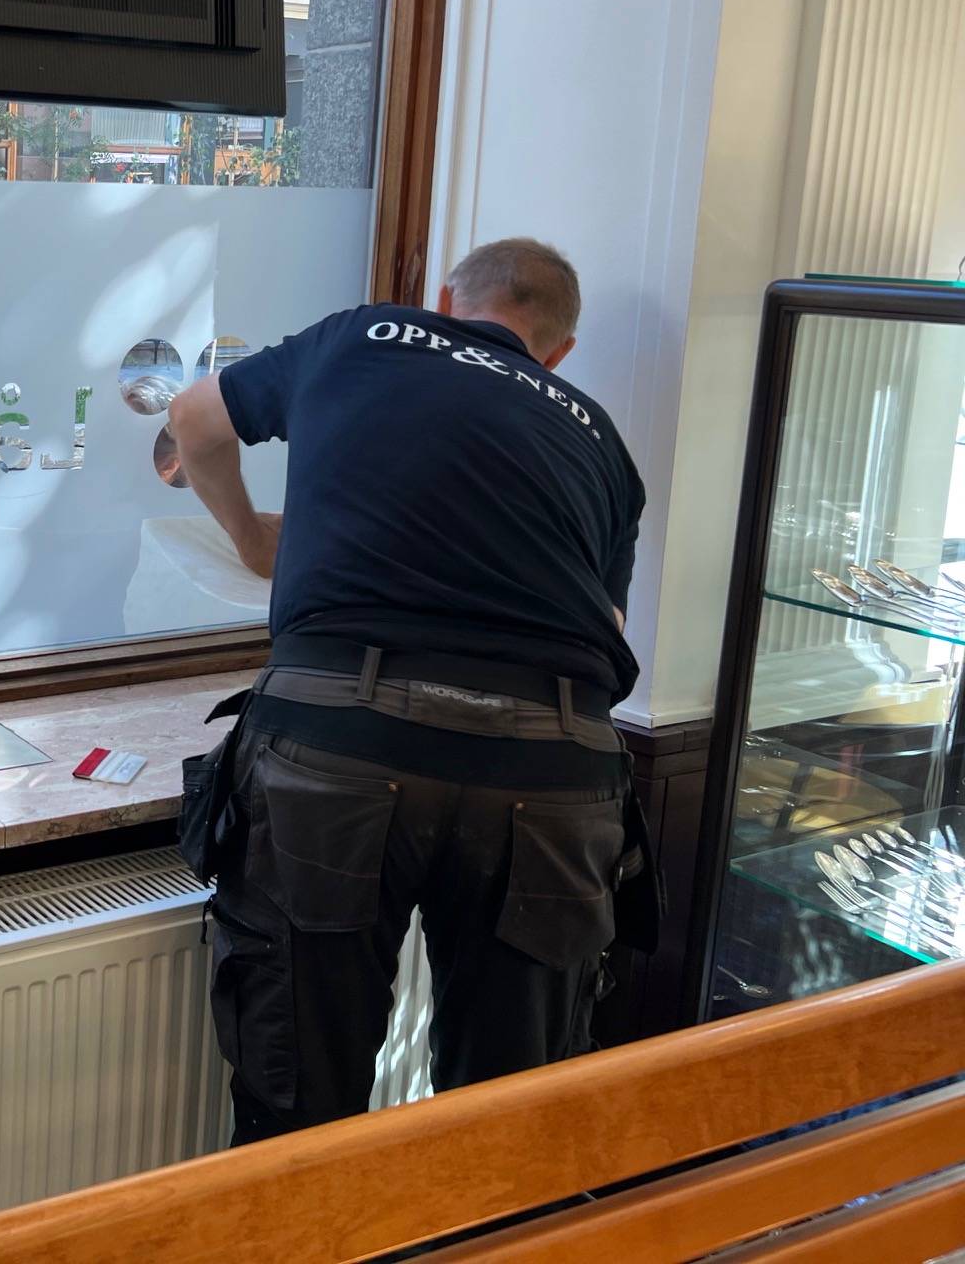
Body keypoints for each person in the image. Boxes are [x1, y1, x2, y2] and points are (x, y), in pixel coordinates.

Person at [166, 236, 648, 1142]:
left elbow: (193, 421)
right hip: (556, 764)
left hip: (342, 742)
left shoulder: (366, 334)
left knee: (302, 1107)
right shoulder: (599, 437)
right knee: (508, 1120)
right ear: (559, 352)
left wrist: (254, 542)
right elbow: (608, 629)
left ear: (445, 302)